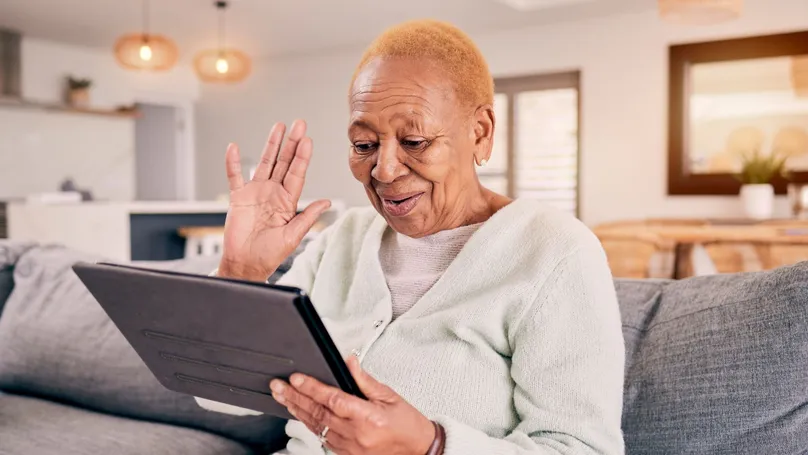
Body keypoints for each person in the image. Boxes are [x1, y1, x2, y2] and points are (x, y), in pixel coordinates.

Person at [196, 19, 625, 455]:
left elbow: (583, 449)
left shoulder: (554, 251)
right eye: (364, 145)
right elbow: (218, 395)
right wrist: (242, 273)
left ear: (480, 132)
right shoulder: (341, 242)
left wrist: (430, 446)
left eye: (415, 141)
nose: (384, 170)